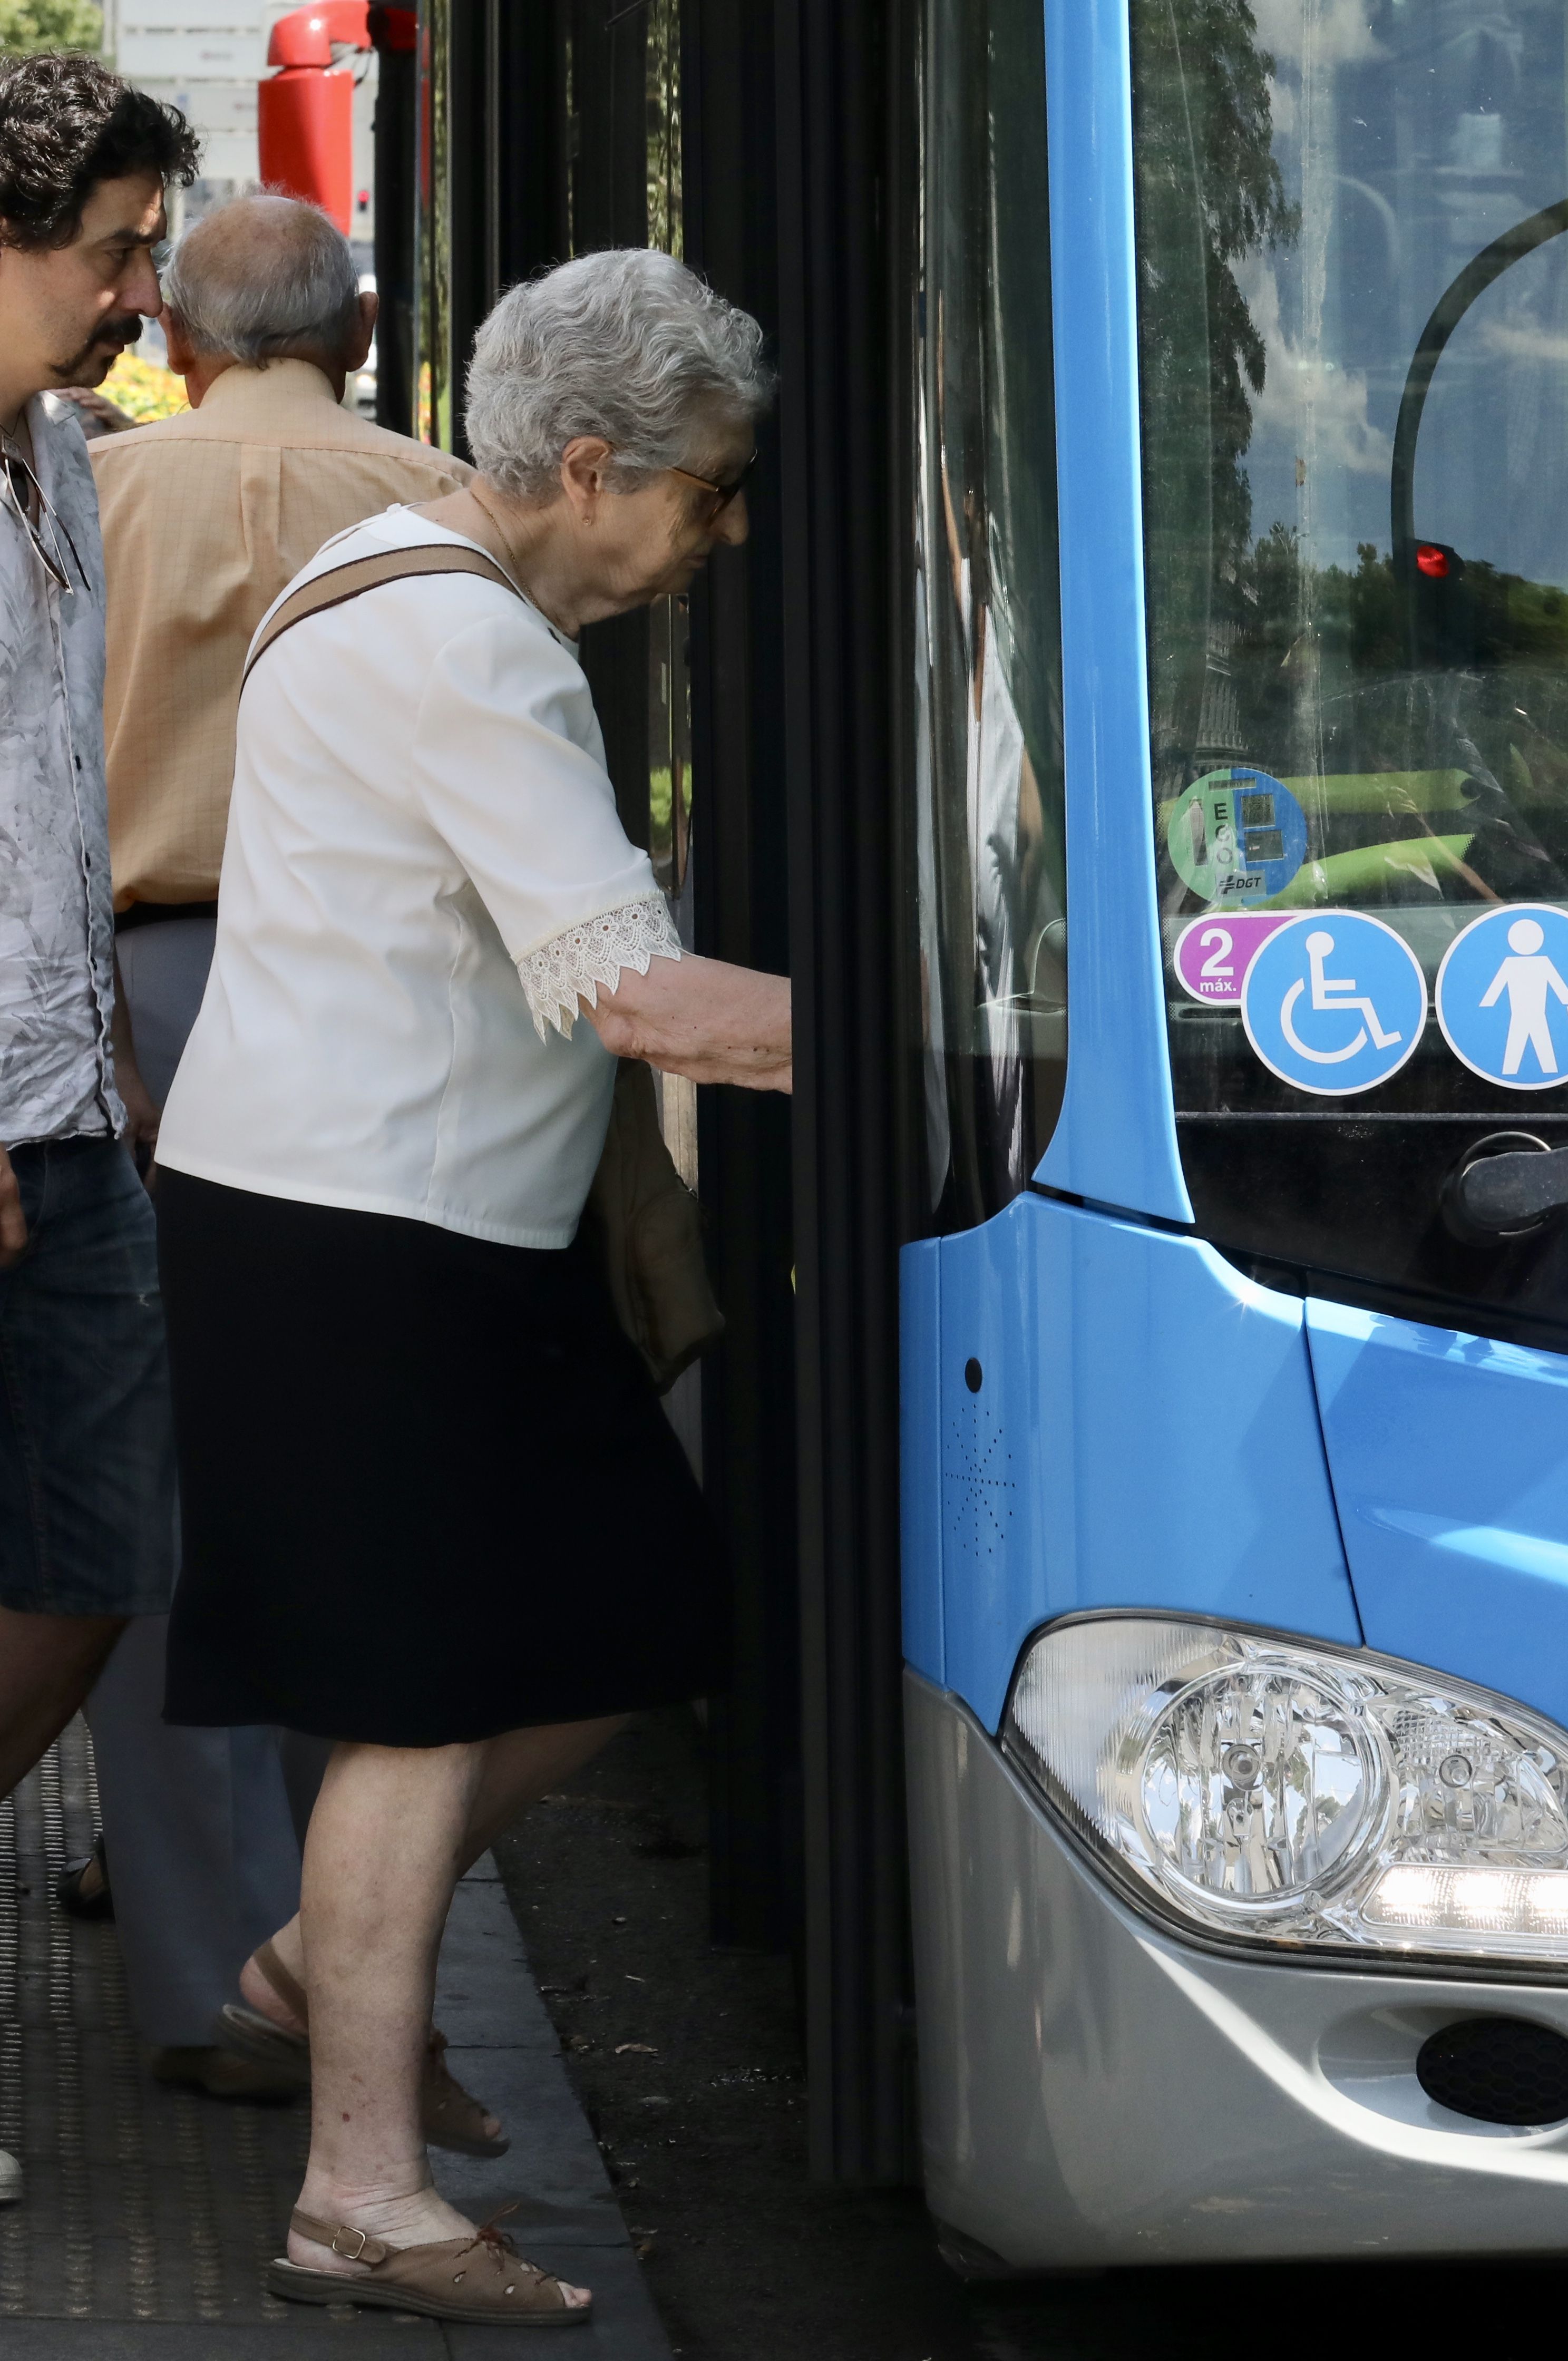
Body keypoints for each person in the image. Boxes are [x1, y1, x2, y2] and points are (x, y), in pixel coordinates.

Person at [153, 248, 791, 2326]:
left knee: (637, 1602)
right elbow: (629, 994)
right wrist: (954, 1052)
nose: (722, 532)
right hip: (370, 1236)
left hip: (397, 1224)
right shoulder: (468, 650)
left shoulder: (403, 587)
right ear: (591, 467)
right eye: (704, 489)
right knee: (420, 1711)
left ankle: (301, 1969)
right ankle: (357, 2189)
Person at [80, 190, 471, 2104]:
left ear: (180, 337)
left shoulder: (95, 497)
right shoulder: (441, 498)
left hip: (140, 997)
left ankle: (182, 1969)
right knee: (365, 1477)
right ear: (370, 321)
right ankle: (334, 1951)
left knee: (155, 1483)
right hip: (387, 1010)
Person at [0, 52, 198, 2202]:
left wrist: (103, 1051)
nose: (139, 291)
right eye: (111, 249)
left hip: (72, 1095)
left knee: (102, 1556)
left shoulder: (61, 448)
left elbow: (48, 782)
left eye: (148, 246)